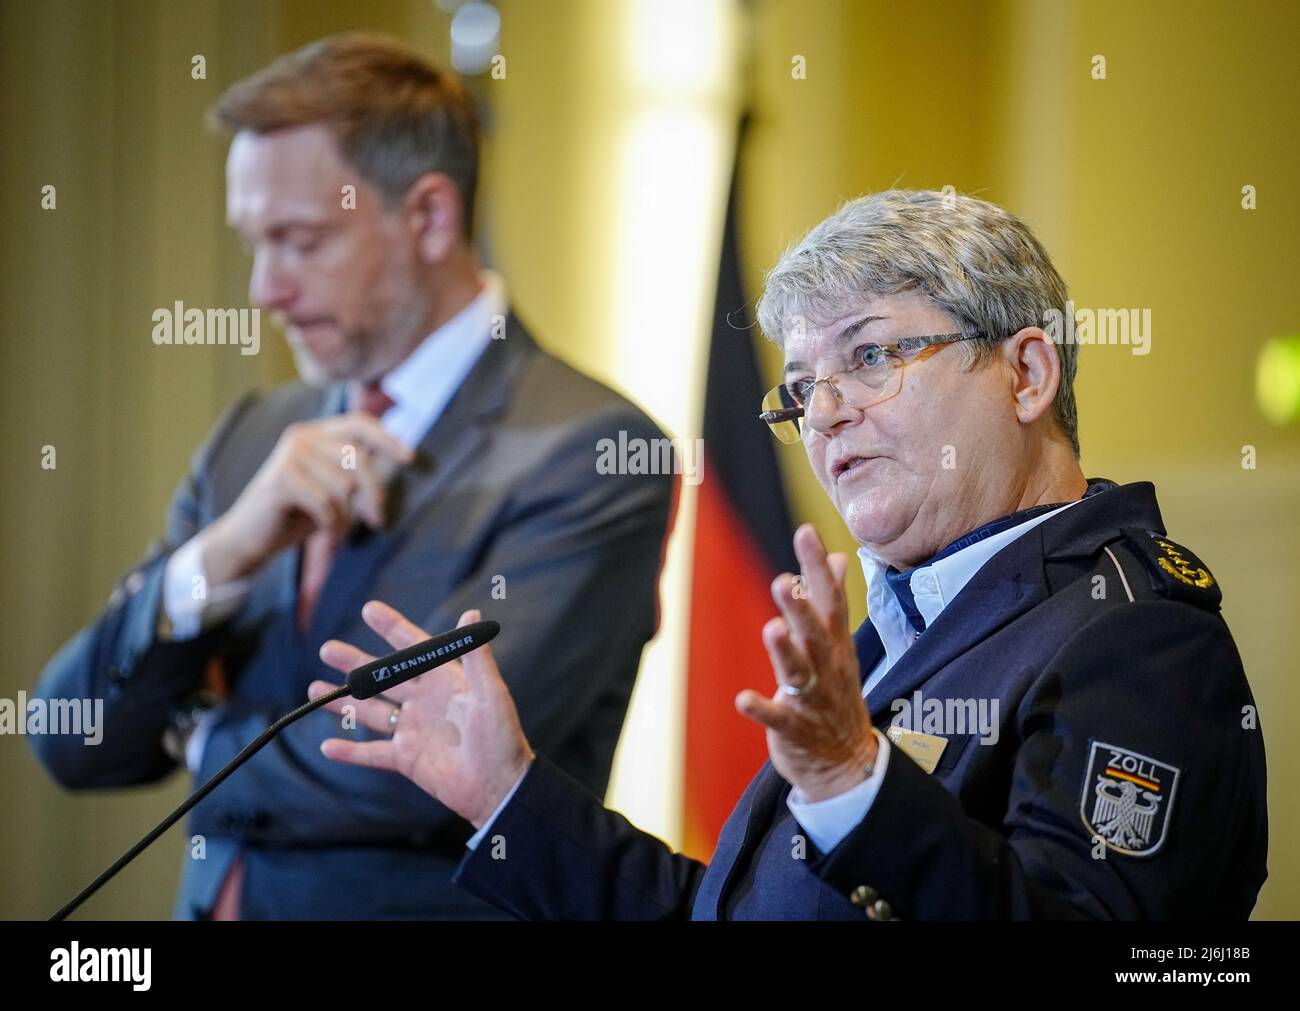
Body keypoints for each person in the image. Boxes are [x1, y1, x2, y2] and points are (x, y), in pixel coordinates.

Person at [311, 189, 1268, 919]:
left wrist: (858, 780)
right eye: (804, 388)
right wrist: (506, 791)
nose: (829, 413)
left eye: (871, 357)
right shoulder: (898, 627)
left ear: (1025, 373)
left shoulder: (1137, 639)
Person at [29, 33, 674, 920]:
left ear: (431, 217)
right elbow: (75, 737)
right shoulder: (255, 434)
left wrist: (200, 729)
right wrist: (225, 551)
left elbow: (424, 767)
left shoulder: (593, 450)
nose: (263, 288)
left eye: (298, 241)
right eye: (254, 243)